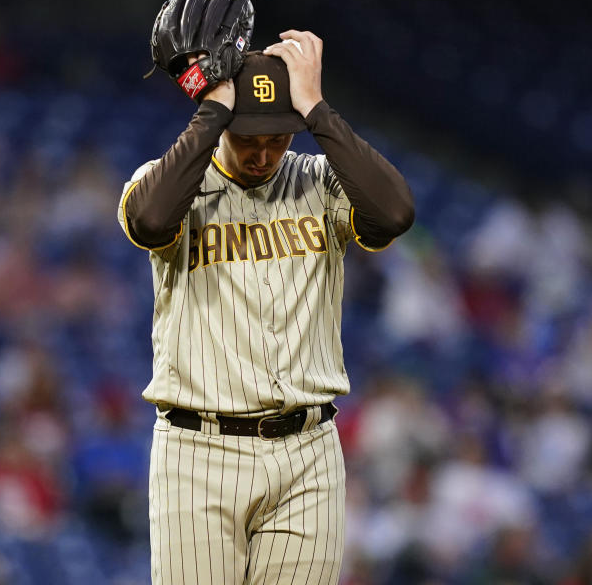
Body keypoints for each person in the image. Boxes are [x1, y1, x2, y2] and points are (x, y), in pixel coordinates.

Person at [118, 29, 415, 584]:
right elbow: (151, 220)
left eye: (277, 137)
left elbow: (395, 213)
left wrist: (318, 111)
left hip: (308, 453)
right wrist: (212, 112)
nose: (262, 153)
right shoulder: (171, 183)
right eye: (248, 137)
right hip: (198, 452)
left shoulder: (318, 180)